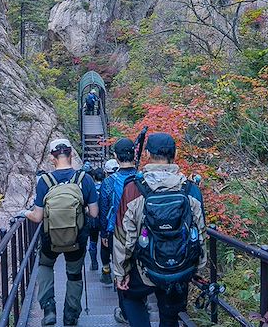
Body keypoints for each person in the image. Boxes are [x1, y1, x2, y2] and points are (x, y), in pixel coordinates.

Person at [112, 133, 207, 327]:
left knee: (131, 297)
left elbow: (123, 236)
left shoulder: (133, 189)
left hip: (144, 267)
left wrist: (121, 272)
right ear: (175, 153)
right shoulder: (191, 190)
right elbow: (200, 233)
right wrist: (197, 267)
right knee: (170, 315)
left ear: (146, 154)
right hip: (180, 267)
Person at [22, 139, 99, 326]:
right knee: (74, 274)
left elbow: (37, 217)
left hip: (51, 239)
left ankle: (49, 309)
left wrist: (24, 213)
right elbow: (94, 213)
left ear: (52, 158)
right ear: (71, 154)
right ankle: (70, 315)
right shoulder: (84, 179)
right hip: (77, 238)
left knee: (45, 266)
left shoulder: (44, 181)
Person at [97, 139, 136, 287]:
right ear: (134, 155)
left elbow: (104, 209)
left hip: (116, 230)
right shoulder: (143, 179)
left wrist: (104, 234)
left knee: (119, 264)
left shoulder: (109, 182)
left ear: (115, 156)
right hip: (139, 230)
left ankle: (121, 293)